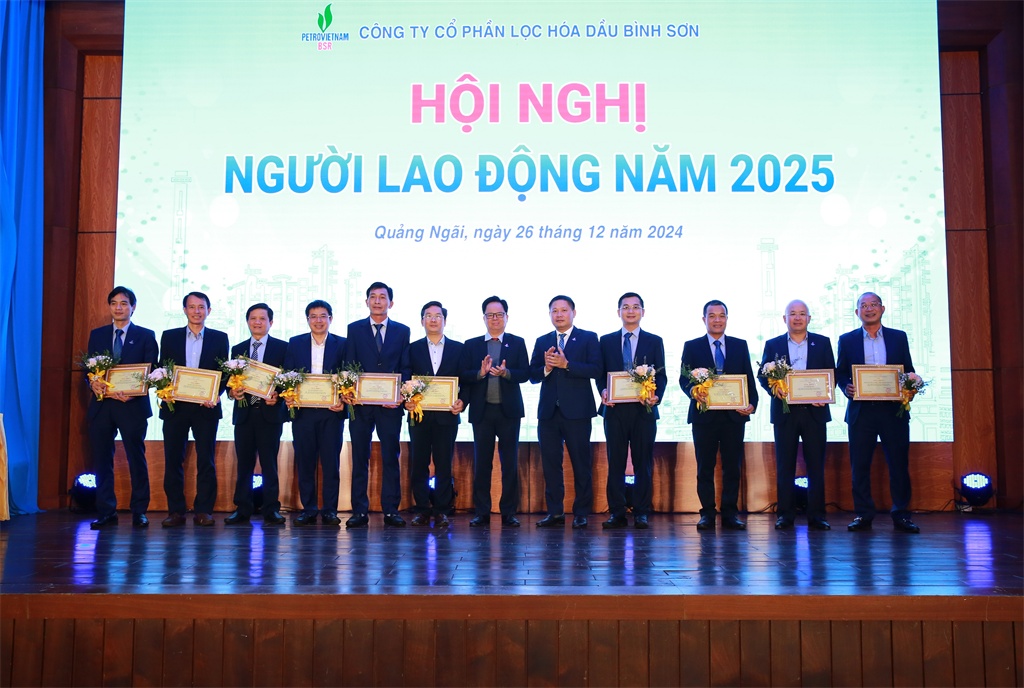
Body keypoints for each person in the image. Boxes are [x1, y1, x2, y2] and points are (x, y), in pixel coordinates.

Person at [836, 292, 920, 533]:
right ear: (857, 312)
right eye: (864, 305)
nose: (869, 309)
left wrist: (911, 385)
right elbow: (841, 372)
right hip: (862, 412)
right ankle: (863, 514)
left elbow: (908, 369)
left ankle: (901, 514)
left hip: (893, 412)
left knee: (898, 464)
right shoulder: (847, 340)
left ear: (882, 309)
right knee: (860, 465)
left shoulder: (898, 337)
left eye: (873, 304)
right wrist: (846, 386)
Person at [678, 300, 758, 531]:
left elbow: (748, 378)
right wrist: (693, 391)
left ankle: (730, 514)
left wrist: (752, 404)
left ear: (727, 319)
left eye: (721, 315)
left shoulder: (739, 345)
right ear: (704, 319)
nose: (717, 320)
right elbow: (684, 379)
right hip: (704, 417)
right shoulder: (692, 346)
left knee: (732, 467)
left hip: (734, 416)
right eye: (712, 316)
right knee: (705, 468)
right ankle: (707, 514)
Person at [85, 286, 159, 529]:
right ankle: (106, 511)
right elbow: (90, 369)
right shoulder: (97, 335)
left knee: (136, 458)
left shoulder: (146, 335)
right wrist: (92, 383)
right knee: (102, 460)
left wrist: (134, 390)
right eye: (114, 303)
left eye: (124, 303)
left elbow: (152, 370)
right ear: (109, 306)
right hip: (102, 406)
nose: (119, 307)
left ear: (133, 307)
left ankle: (139, 511)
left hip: (132, 406)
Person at [759, 299, 835, 531]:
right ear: (785, 319)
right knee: (785, 465)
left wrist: (825, 393)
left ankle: (817, 515)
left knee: (815, 466)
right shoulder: (773, 344)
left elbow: (831, 374)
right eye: (793, 313)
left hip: (815, 412)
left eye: (802, 313)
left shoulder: (822, 343)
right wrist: (774, 389)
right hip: (785, 414)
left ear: (809, 318)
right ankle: (785, 515)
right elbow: (763, 375)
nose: (798, 317)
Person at [342, 282, 411, 528]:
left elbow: (405, 367)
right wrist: (349, 391)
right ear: (367, 302)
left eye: (383, 297)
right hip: (361, 406)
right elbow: (349, 364)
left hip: (390, 407)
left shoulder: (402, 331)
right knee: (360, 457)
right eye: (373, 297)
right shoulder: (354, 329)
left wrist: (400, 396)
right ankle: (359, 511)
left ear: (391, 303)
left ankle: (391, 510)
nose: (378, 301)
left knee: (390, 457)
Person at [529, 295, 601, 529]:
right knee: (551, 465)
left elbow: (596, 369)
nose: (559, 315)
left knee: (581, 464)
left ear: (573, 313)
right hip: (548, 413)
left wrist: (566, 364)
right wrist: (547, 368)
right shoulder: (542, 341)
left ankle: (581, 513)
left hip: (578, 412)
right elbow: (532, 375)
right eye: (554, 311)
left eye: (563, 310)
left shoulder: (588, 338)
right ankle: (555, 512)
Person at [158, 291, 229, 527]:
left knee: (206, 460)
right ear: (184, 310)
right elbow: (162, 368)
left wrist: (215, 394)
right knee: (172, 460)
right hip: (175, 407)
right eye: (192, 307)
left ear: (209, 311)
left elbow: (224, 373)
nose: (196, 311)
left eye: (201, 307)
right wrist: (165, 389)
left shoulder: (220, 338)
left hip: (205, 408)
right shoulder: (169, 336)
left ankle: (204, 511)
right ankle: (175, 511)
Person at [597, 292, 667, 530]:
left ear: (642, 312)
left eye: (635, 307)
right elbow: (601, 374)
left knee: (643, 463)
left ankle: (641, 512)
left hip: (643, 411)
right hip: (614, 410)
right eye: (625, 307)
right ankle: (616, 512)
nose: (630, 311)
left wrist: (656, 396)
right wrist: (603, 391)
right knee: (615, 463)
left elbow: (661, 375)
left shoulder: (654, 341)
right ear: (618, 312)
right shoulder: (606, 341)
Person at [460, 296, 530, 528]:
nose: (495, 319)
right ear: (484, 318)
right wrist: (480, 373)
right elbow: (464, 375)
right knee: (482, 464)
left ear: (507, 317)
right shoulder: (471, 345)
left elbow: (525, 373)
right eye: (490, 315)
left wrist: (506, 373)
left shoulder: (517, 342)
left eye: (499, 314)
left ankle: (509, 512)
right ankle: (482, 512)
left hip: (509, 412)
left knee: (509, 463)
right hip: (482, 412)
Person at [282, 300, 347, 526]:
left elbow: (349, 377)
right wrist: (289, 395)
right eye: (313, 316)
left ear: (331, 318)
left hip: (332, 413)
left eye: (323, 316)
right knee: (305, 463)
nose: (318, 321)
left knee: (331, 464)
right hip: (303, 413)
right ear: (307, 319)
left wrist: (343, 401)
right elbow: (288, 374)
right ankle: (308, 509)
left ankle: (330, 510)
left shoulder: (343, 344)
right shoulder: (295, 343)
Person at [224, 303, 287, 526]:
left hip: (269, 414)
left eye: (262, 318)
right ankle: (242, 508)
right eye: (253, 318)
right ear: (247, 321)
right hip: (244, 414)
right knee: (244, 463)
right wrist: (231, 392)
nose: (257, 322)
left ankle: (271, 508)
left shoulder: (282, 348)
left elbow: (287, 380)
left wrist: (278, 396)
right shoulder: (238, 349)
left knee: (269, 463)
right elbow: (229, 381)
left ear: (271, 322)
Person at [406, 301, 466, 528]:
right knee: (418, 464)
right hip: (418, 415)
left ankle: (442, 510)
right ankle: (421, 509)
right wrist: (406, 401)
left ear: (444, 320)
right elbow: (405, 378)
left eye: (438, 315)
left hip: (447, 416)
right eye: (428, 315)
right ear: (422, 321)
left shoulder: (458, 349)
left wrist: (463, 401)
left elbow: (466, 382)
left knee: (443, 464)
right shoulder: (412, 349)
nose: (433, 319)